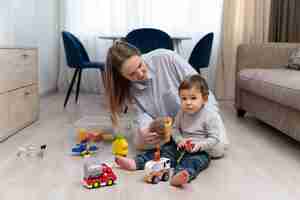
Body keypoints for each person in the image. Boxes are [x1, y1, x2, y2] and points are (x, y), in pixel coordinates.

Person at [115, 74, 228, 187]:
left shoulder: (210, 116)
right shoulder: (182, 112)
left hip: (200, 151)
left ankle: (180, 176)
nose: (188, 102)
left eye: (193, 98)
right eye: (184, 98)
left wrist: (199, 145)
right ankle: (136, 162)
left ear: (204, 99)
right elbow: (175, 129)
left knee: (194, 162)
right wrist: (179, 140)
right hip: (180, 146)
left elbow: (214, 138)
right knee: (163, 152)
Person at [103, 40, 219, 150]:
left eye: (139, 65)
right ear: (122, 76)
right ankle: (174, 140)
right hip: (164, 126)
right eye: (132, 74)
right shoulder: (126, 87)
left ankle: (178, 139)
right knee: (140, 142)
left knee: (217, 148)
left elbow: (200, 85)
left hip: (193, 116)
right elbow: (141, 114)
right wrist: (145, 128)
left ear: (140, 55)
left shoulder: (166, 57)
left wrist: (209, 116)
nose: (140, 73)